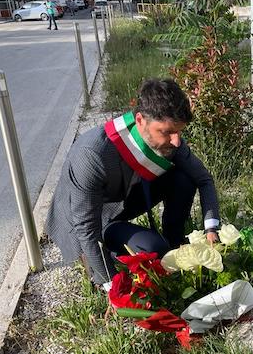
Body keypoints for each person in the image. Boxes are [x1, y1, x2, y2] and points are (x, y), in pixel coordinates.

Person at [46, 78, 220, 288]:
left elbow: (204, 179)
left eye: (179, 131)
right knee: (154, 251)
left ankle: (174, 241)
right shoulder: (92, 155)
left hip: (126, 200)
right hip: (92, 220)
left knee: (184, 179)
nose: (176, 141)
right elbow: (85, 227)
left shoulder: (170, 140)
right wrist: (111, 285)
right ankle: (115, 251)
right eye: (167, 132)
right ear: (140, 121)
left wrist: (212, 230)